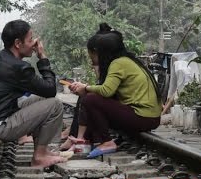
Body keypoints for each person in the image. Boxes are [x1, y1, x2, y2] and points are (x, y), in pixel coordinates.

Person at [0, 20, 66, 168]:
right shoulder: (17, 67)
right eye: (30, 40)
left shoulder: (2, 59)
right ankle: (40, 156)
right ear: (17, 43)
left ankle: (43, 150)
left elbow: (43, 92)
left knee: (42, 98)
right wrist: (42, 57)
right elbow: (50, 89)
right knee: (55, 106)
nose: (34, 43)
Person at [65, 23, 162, 158]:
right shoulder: (126, 60)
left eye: (91, 55)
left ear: (100, 53)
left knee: (91, 99)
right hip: (148, 117)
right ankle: (85, 140)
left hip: (143, 117)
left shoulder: (118, 63)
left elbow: (106, 91)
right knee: (91, 98)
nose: (90, 58)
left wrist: (85, 87)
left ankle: (106, 142)